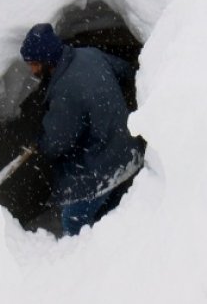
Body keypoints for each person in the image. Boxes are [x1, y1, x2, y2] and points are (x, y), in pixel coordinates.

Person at [20, 23, 145, 236]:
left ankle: (88, 263)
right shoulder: (91, 55)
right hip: (127, 154)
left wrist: (39, 142)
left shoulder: (65, 92)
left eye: (33, 64)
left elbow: (56, 143)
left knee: (73, 224)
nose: (31, 70)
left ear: (47, 60)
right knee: (115, 217)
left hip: (98, 173)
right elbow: (128, 71)